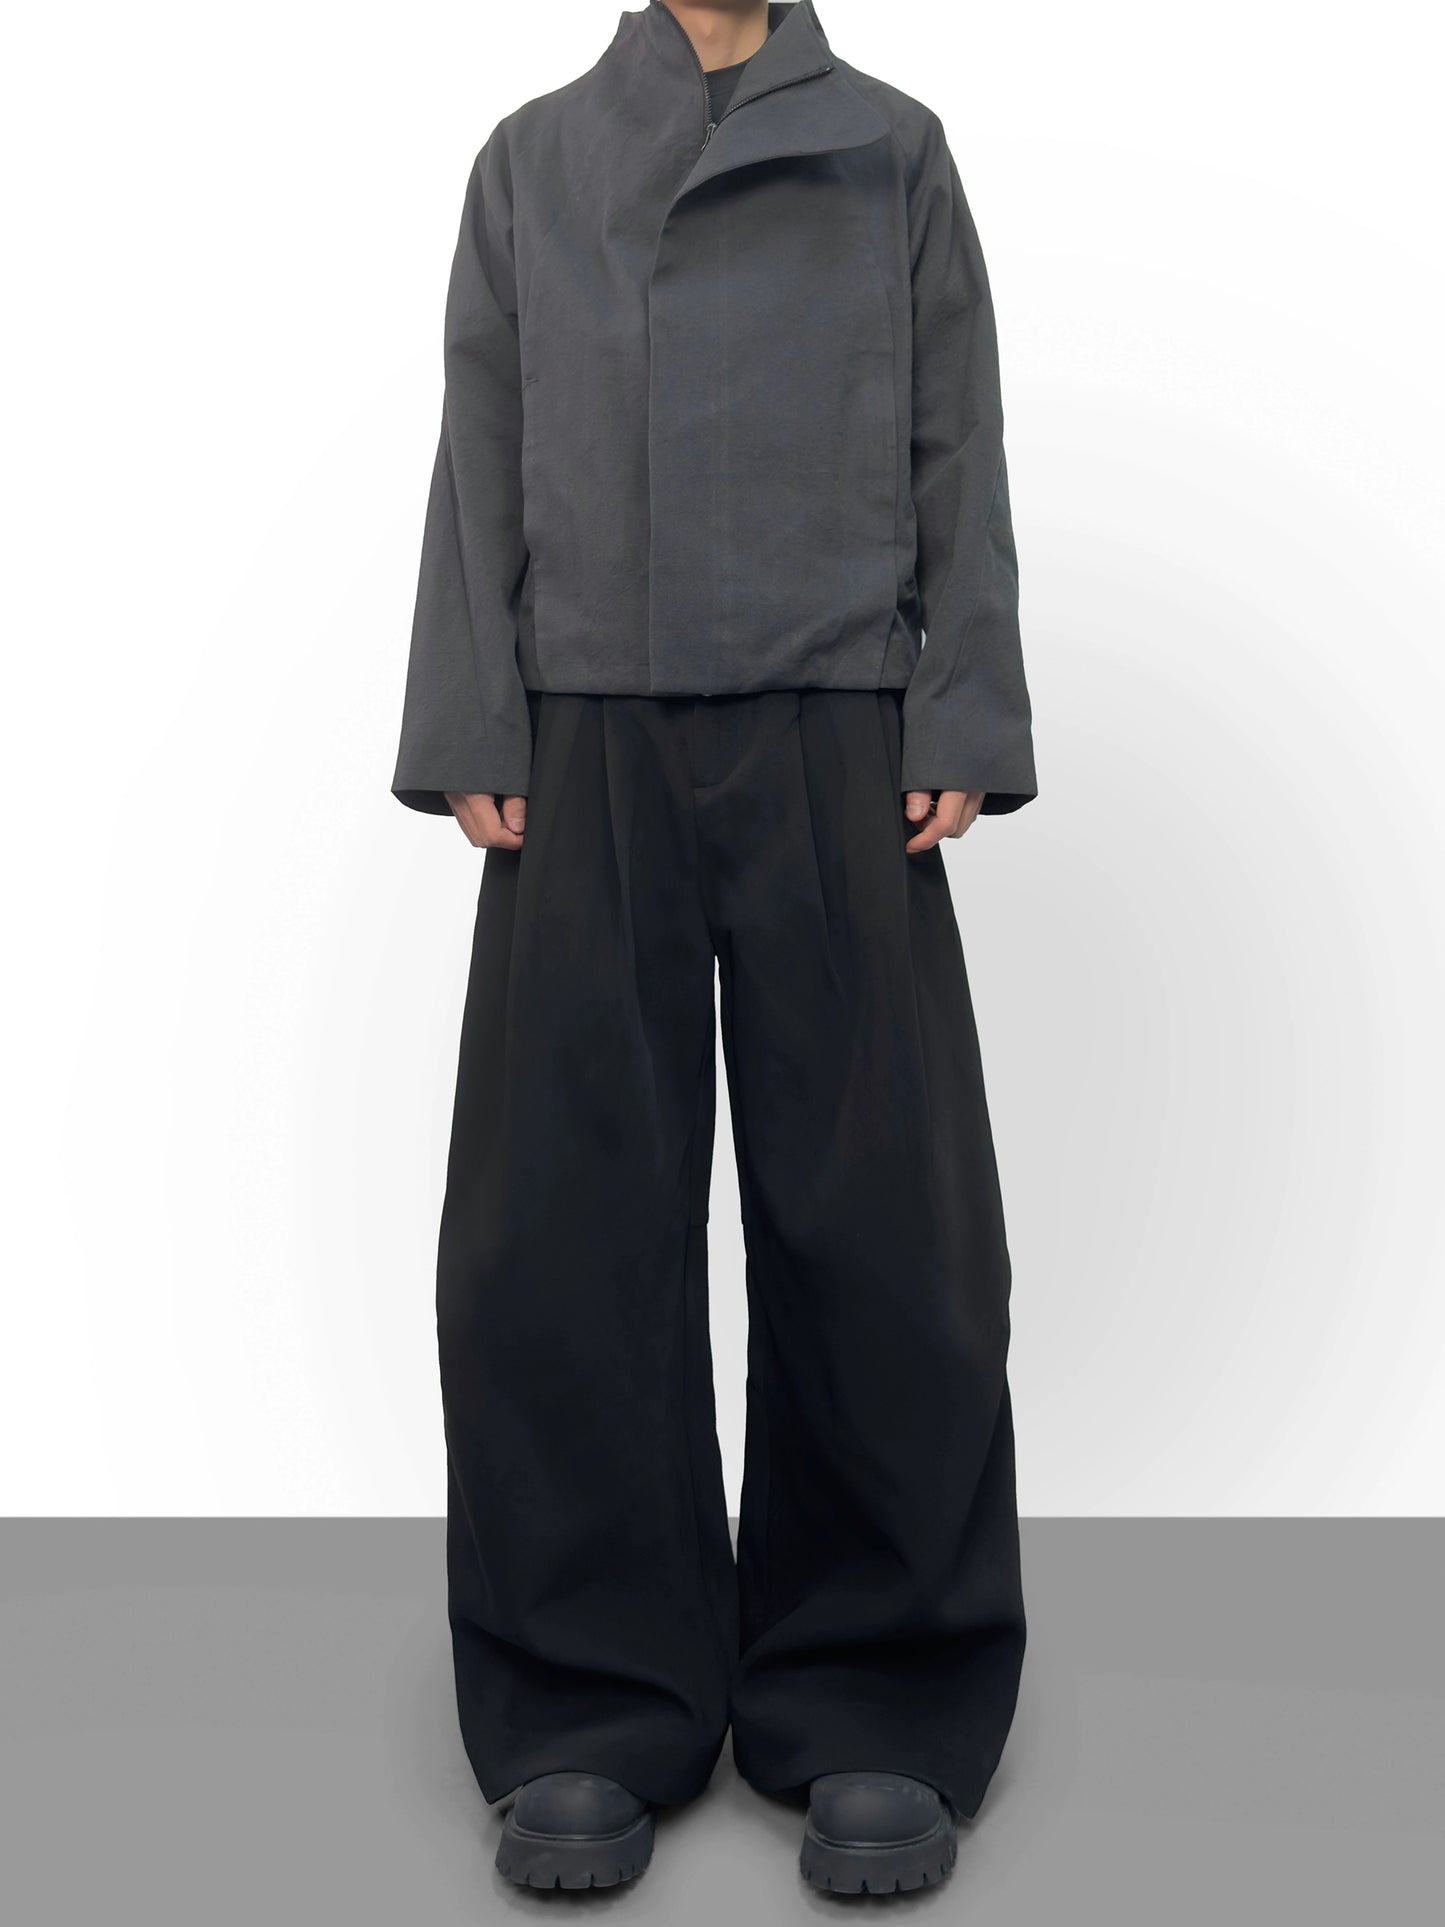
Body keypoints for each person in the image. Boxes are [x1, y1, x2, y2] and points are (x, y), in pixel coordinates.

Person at [391, 0, 1036, 1896]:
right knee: (555, 1231)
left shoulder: (892, 148)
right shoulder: (533, 160)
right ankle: (587, 1701)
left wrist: (960, 704)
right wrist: (470, 716)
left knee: (883, 1226)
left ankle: (876, 1692)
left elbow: (957, 434)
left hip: (841, 723)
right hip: (582, 727)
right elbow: (478, 442)